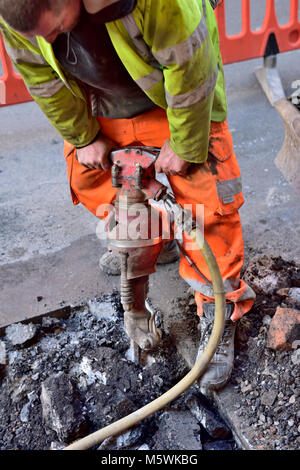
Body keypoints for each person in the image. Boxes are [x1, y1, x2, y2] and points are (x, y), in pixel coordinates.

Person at [0, 0, 256, 391]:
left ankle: (219, 315)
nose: (48, 41)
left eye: (52, 29)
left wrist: (186, 142)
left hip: (176, 99)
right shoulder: (15, 13)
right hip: (100, 102)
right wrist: (82, 136)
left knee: (208, 207)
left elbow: (191, 65)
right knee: (99, 186)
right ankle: (151, 248)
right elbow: (41, 78)